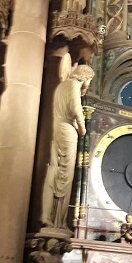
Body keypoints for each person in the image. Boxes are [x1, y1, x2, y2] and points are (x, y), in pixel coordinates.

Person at [41, 64, 95, 228]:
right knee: (65, 175)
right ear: (85, 77)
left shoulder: (61, 86)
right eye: (89, 81)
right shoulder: (73, 85)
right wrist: (82, 127)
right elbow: (75, 108)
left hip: (57, 126)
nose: (88, 84)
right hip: (67, 129)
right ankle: (58, 220)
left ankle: (46, 215)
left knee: (54, 169)